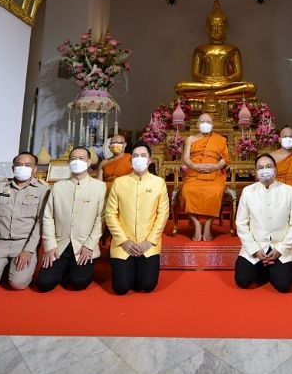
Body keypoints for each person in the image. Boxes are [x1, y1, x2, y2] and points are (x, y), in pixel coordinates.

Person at [0, 152, 48, 293]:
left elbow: (40, 223)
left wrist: (29, 250)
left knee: (18, 284)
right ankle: (0, 269)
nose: (22, 167)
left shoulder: (42, 190)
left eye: (28, 165)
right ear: (13, 168)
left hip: (23, 243)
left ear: (35, 169)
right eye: (19, 164)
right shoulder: (0, 187)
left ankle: (11, 270)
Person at [37, 147, 107, 292]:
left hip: (83, 245)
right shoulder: (58, 186)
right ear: (68, 162)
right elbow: (48, 216)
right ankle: (65, 268)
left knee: (79, 282)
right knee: (44, 284)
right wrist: (50, 245)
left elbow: (101, 218)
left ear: (89, 162)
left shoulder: (99, 187)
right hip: (60, 244)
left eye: (81, 158)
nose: (77, 161)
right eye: (73, 158)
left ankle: (74, 269)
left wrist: (90, 245)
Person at [105, 142, 170, 295]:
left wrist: (149, 241)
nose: (139, 158)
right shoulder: (119, 183)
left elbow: (163, 214)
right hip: (123, 244)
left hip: (148, 244)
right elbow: (110, 214)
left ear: (150, 160)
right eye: (135, 156)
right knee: (121, 288)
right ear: (130, 160)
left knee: (147, 285)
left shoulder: (159, 183)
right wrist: (124, 241)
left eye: (143, 155)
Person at [235, 154, 292, 293]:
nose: (264, 170)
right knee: (242, 281)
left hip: (280, 246)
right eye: (260, 168)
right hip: (257, 245)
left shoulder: (290, 191)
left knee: (283, 286)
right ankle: (264, 268)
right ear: (256, 171)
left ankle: (271, 269)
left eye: (268, 166)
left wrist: (280, 249)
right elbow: (241, 223)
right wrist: (255, 249)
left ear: (275, 169)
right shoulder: (248, 192)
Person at [180, 112, 229, 241]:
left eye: (208, 122)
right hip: (194, 173)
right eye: (202, 122)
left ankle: (208, 223)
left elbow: (225, 158)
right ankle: (196, 224)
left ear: (212, 125)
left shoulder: (220, 140)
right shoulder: (191, 139)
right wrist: (194, 166)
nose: (205, 124)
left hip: (214, 173)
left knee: (215, 192)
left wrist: (216, 167)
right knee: (187, 191)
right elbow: (185, 158)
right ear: (197, 124)